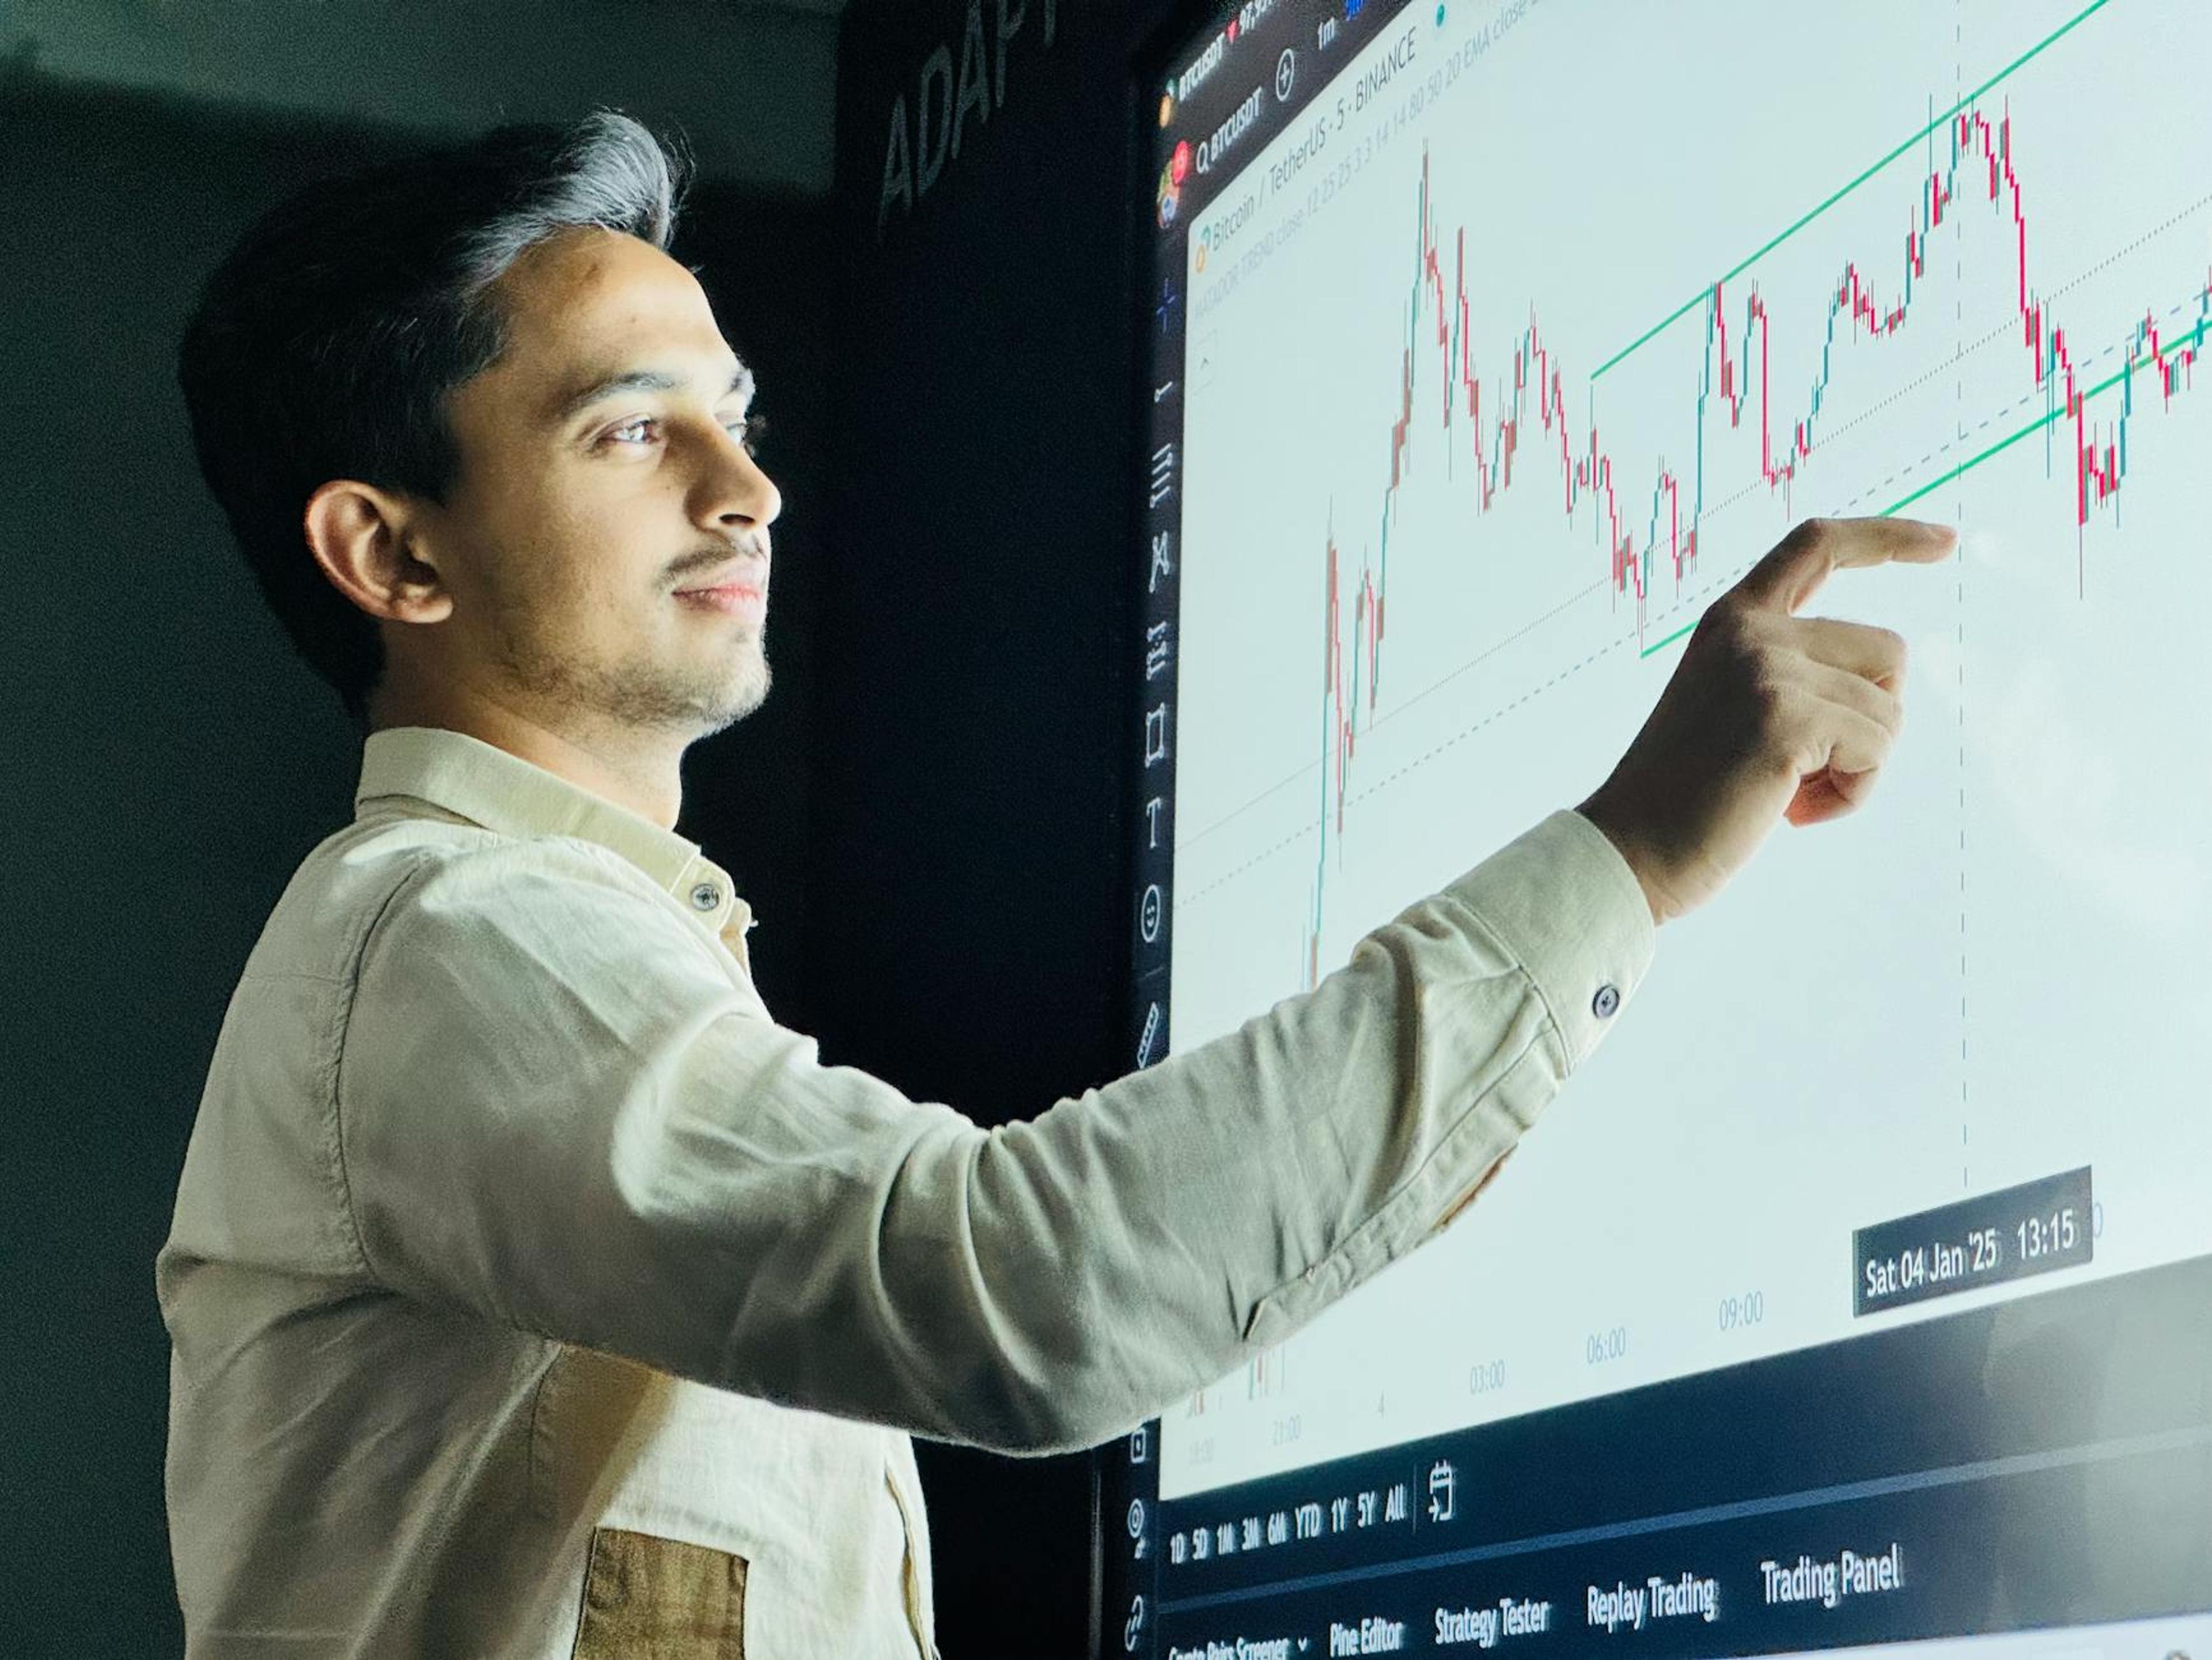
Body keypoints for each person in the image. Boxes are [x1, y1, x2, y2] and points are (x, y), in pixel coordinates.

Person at [157, 109, 1952, 1658]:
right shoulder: (454, 934)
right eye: (635, 432)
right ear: (391, 551)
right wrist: (1633, 852)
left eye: (738, 413)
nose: (751, 489)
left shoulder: (543, 944)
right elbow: (1010, 1292)